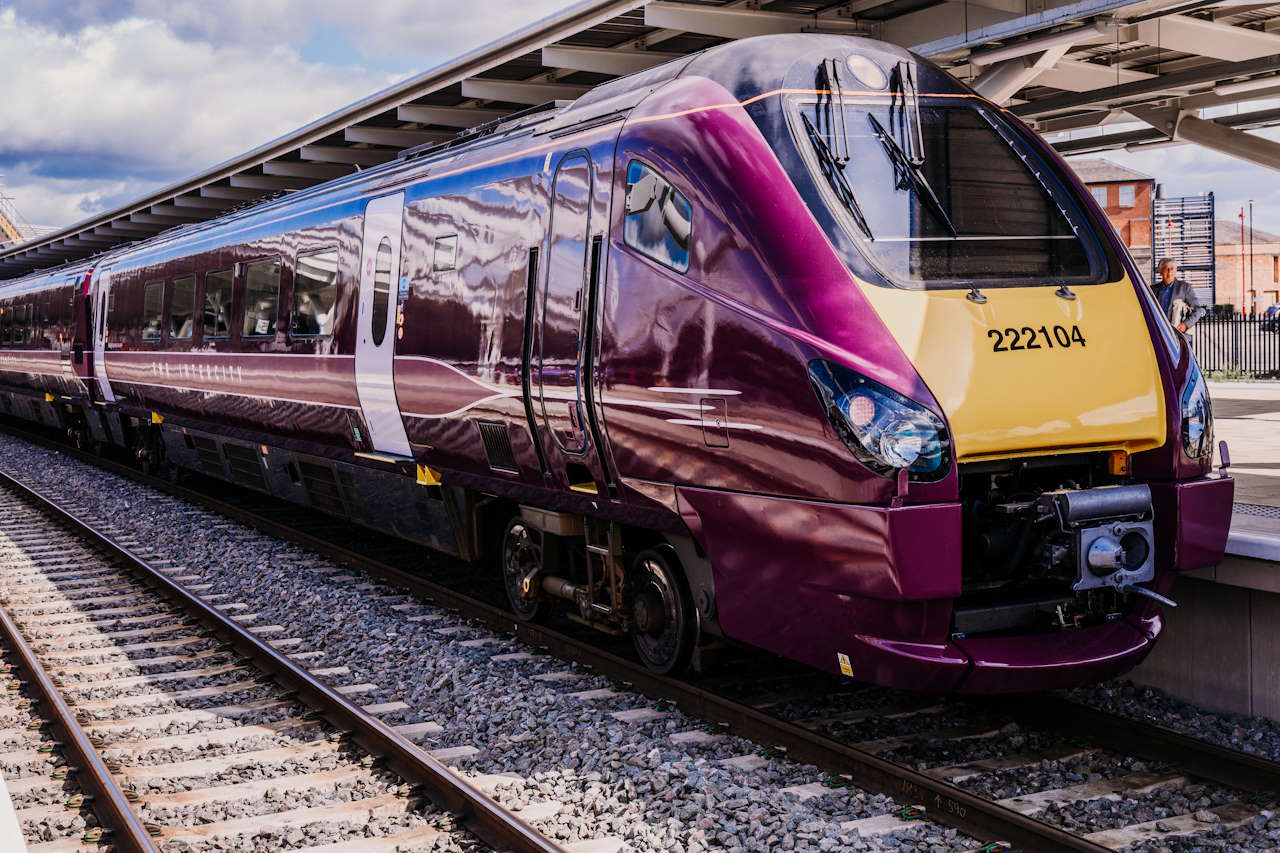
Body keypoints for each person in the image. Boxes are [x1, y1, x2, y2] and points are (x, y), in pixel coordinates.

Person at [1153, 258, 1204, 339]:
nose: (1169, 272)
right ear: (1160, 271)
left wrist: (1185, 324)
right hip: (1159, 335)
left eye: (1172, 269)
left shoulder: (1185, 288)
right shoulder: (1152, 290)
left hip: (1180, 336)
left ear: (1176, 271)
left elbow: (1197, 310)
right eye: (1166, 269)